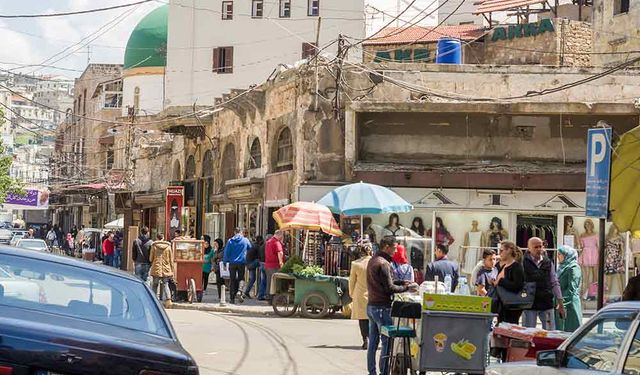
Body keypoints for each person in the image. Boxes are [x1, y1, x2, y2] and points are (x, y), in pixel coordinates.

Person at [366, 236, 415, 375]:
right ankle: (384, 372)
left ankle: (372, 372)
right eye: (394, 248)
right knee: (387, 343)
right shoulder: (383, 263)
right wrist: (406, 288)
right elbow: (389, 288)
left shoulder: (373, 260)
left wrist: (402, 283)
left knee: (373, 344)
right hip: (382, 308)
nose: (395, 251)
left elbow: (388, 283)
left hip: (372, 307)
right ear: (386, 247)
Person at [490, 241, 525, 362]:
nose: (500, 253)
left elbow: (517, 285)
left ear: (509, 250)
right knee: (501, 333)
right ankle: (499, 355)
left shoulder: (516, 267)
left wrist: (501, 282)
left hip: (512, 307)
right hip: (502, 306)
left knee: (509, 334)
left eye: (502, 251)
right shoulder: (502, 266)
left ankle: (507, 357)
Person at [522, 237, 565, 331]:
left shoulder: (548, 262)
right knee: (528, 333)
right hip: (530, 304)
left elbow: (554, 282)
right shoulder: (523, 263)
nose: (538, 249)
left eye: (540, 246)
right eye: (535, 247)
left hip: (546, 302)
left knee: (550, 333)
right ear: (529, 248)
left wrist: (560, 302)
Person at [349, 242, 373, 350]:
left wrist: (351, 293)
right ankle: (372, 339)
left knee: (362, 319)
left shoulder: (355, 264)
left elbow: (352, 281)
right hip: (373, 294)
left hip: (360, 294)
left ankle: (365, 339)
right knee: (372, 318)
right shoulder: (375, 262)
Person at [556, 245, 582, 332]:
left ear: (567, 255)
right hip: (560, 303)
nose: (558, 256)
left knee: (570, 329)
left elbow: (572, 288)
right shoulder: (562, 267)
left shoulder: (573, 267)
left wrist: (563, 303)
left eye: (560, 254)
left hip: (569, 304)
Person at [223, 228, 252, 304]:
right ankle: (240, 291)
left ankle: (232, 298)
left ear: (234, 232)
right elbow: (250, 248)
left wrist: (225, 262)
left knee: (232, 280)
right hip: (241, 262)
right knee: (241, 278)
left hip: (232, 263)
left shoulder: (230, 241)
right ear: (241, 232)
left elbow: (226, 252)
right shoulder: (245, 240)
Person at [149, 233, 176, 307]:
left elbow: (151, 258)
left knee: (155, 284)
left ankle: (154, 300)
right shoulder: (168, 247)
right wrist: (172, 270)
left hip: (156, 268)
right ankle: (168, 301)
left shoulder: (154, 246)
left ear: (157, 238)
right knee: (165, 284)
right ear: (163, 238)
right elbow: (171, 259)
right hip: (166, 268)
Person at [265, 231, 285, 302]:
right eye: (282, 236)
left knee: (269, 282)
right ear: (279, 235)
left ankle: (269, 298)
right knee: (276, 282)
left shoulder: (268, 242)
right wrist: (281, 262)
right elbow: (280, 252)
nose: (282, 237)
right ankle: (275, 299)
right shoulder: (276, 242)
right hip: (274, 265)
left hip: (268, 265)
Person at [257, 234, 269, 300]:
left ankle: (261, 295)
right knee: (267, 280)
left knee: (263, 280)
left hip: (261, 263)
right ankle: (265, 295)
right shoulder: (267, 246)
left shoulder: (262, 246)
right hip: (266, 264)